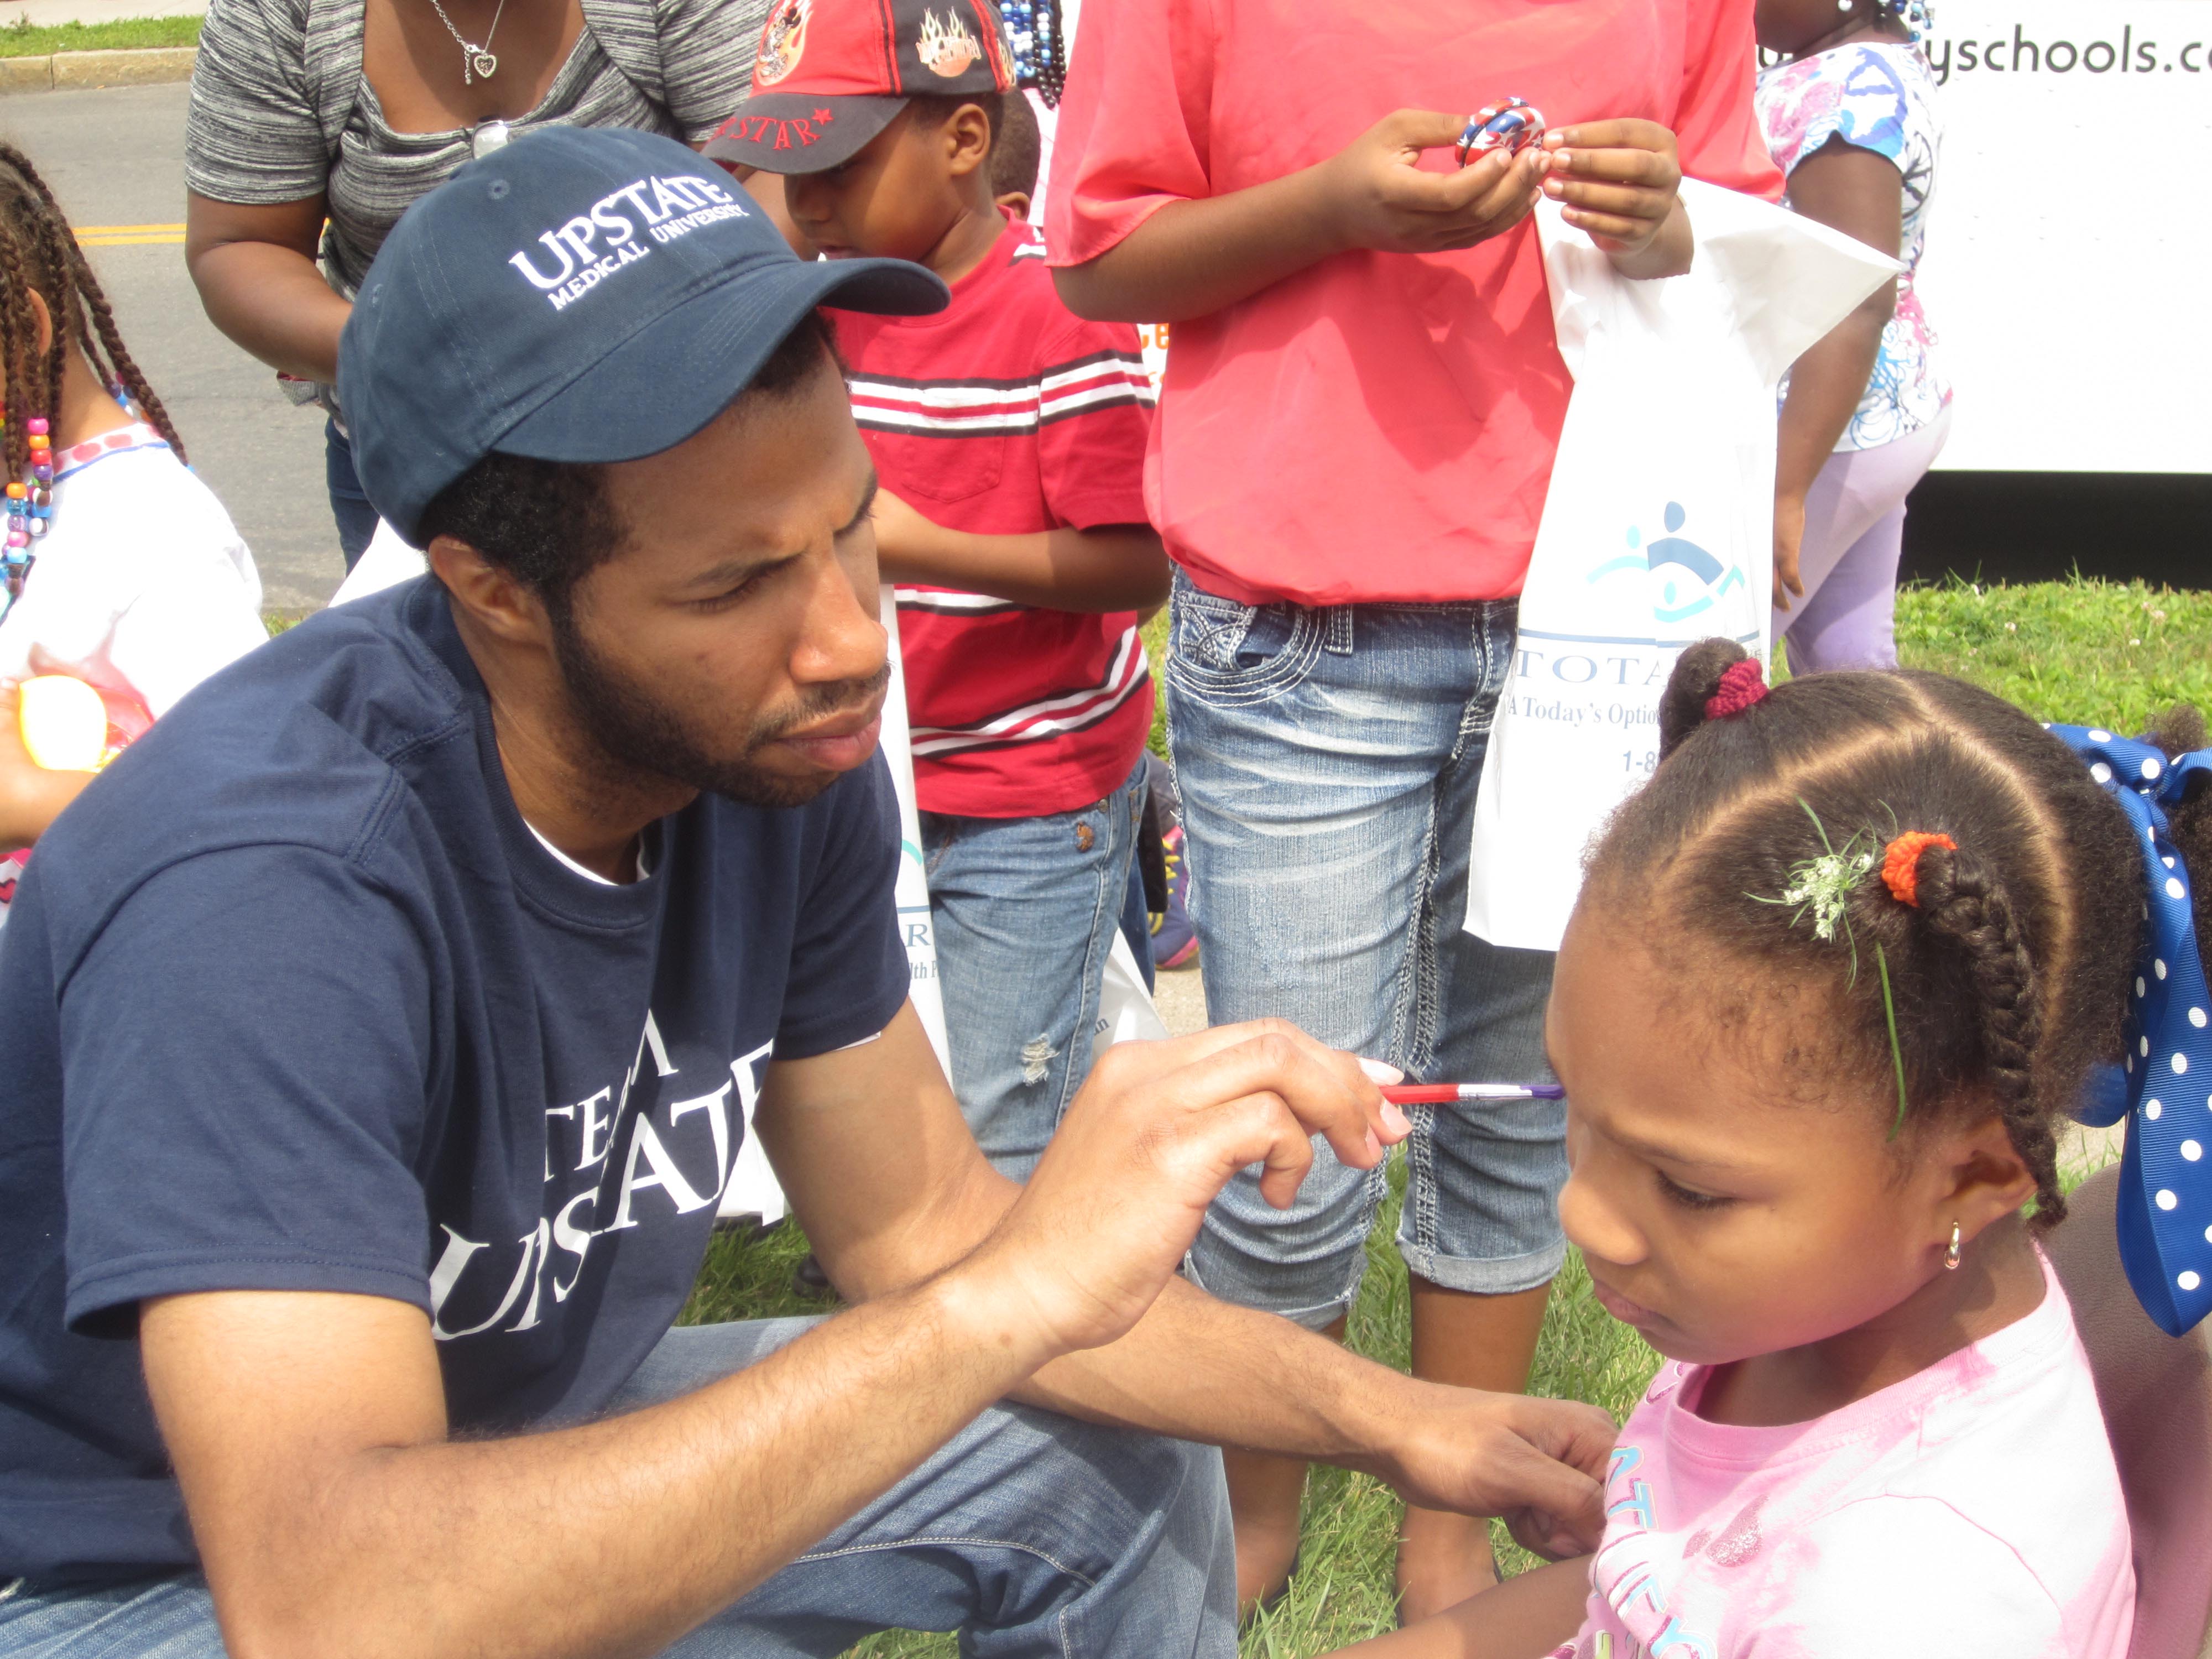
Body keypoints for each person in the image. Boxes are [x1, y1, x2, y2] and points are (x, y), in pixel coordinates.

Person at [0, 128, 1619, 1657]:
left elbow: (920, 1222)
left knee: (1095, 1450)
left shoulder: (767, 742)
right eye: (734, 584)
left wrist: (1403, 1418)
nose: (849, 640)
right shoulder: (271, 885)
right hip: (124, 1575)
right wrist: (1008, 1295)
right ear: (494, 592)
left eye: (848, 533)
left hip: (474, 1459)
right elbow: (337, 1602)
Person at [1045, 0, 1785, 1616]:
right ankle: (1259, 1509)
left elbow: (1742, 251)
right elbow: (1096, 254)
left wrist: (1674, 221)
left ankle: (1450, 1517)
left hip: (1595, 621)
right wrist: (1330, 206)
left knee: (1525, 1100)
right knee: (1295, 1130)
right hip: (1305, 620)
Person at [1348, 638, 2156, 1657]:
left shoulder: (1916, 1603)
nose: (1581, 1211)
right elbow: (1622, 1609)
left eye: (1687, 1188)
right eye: (1575, 1104)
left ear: (1981, 1173)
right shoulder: (1820, 1305)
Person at [708, 4, 1169, 1181]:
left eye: (835, 167)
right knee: (888, 1064)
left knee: (1001, 1105)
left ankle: (1026, 1315)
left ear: (964, 138)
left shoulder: (1056, 316)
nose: (804, 203)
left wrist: (923, 546)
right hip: (871, 777)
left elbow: (1135, 562)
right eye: (784, 169)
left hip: (1024, 784)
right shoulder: (817, 312)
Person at [181, 0, 769, 568]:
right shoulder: (280, 15)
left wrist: (591, 356)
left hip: (681, 428)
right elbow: (239, 245)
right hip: (421, 449)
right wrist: (419, 359)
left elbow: (763, 183)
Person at [0, 142, 265, 923]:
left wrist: (29, 798)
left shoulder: (157, 535)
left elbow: (249, 807)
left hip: (82, 1000)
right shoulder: (26, 481)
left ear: (29, 327)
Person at [1759, 0, 1952, 672]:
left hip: (1823, 430)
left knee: (1706, 655)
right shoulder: (1875, 63)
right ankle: (1893, 782)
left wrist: (1783, 489)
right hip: (1877, 414)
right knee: (1850, 668)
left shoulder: (1842, 96)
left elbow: (1854, 301)